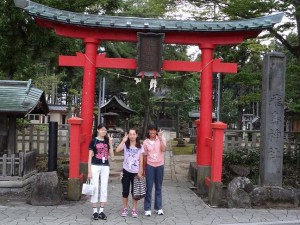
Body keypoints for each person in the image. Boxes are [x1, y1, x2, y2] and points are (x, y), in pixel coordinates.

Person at [115, 128, 144, 218]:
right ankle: (125, 208)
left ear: (136, 135)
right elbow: (117, 150)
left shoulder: (140, 146)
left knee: (134, 192)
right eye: (130, 134)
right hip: (126, 171)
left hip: (135, 172)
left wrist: (140, 171)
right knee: (125, 191)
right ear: (128, 135)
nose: (132, 136)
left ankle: (134, 209)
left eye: (133, 134)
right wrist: (123, 141)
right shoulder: (125, 145)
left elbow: (141, 160)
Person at [88, 124, 114, 220]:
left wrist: (111, 144)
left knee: (104, 188)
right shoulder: (93, 141)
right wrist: (89, 170)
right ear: (98, 130)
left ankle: (101, 211)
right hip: (95, 165)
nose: (104, 131)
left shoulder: (107, 141)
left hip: (105, 166)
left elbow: (112, 156)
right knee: (95, 187)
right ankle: (95, 211)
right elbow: (89, 157)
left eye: (105, 130)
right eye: (102, 130)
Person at [143, 124, 166, 216]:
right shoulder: (145, 142)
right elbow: (144, 156)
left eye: (154, 130)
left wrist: (160, 138)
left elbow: (163, 149)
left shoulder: (161, 138)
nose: (152, 132)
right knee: (148, 187)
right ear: (148, 131)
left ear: (156, 131)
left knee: (158, 187)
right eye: (151, 130)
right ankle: (147, 208)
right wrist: (144, 168)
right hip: (150, 166)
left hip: (160, 165)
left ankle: (158, 207)